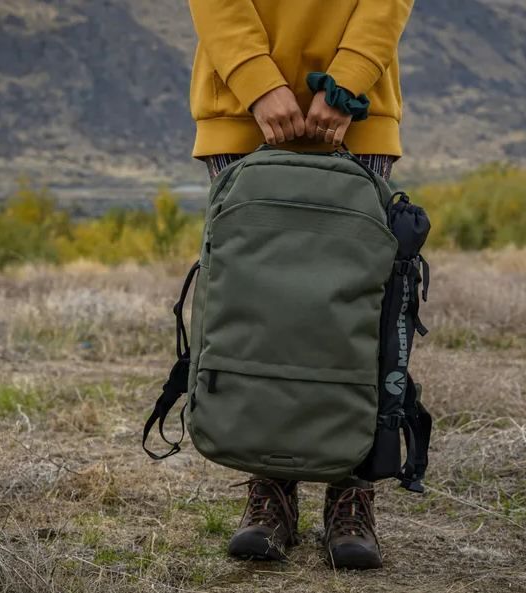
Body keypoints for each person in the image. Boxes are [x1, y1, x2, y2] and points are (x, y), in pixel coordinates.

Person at [186, 0, 414, 570]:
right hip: (241, 111)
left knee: (353, 314)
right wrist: (257, 83)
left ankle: (352, 493)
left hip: (356, 112)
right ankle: (270, 490)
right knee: (260, 315)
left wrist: (347, 82)